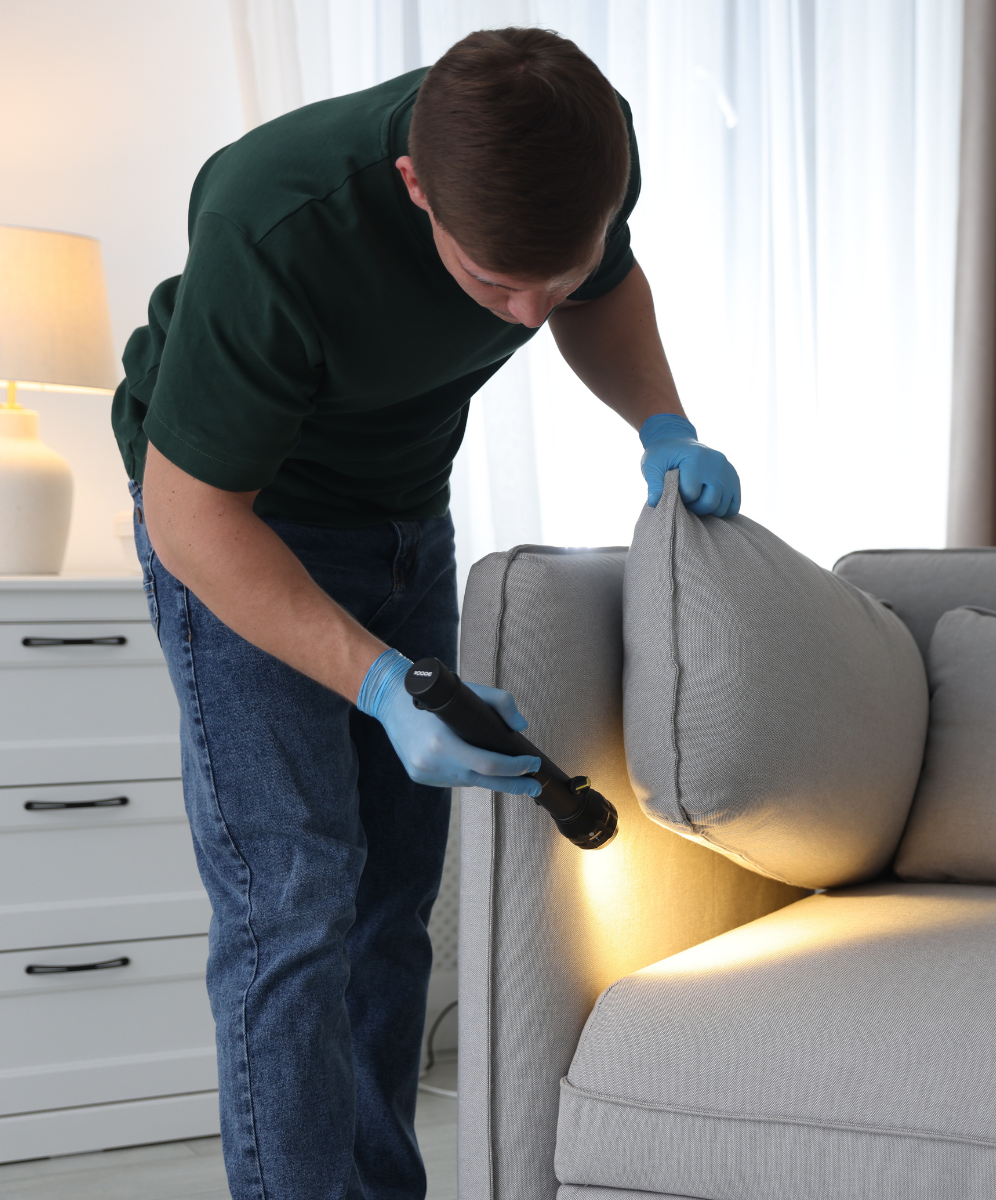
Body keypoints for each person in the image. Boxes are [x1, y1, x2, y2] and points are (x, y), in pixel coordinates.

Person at [110, 29, 737, 1200]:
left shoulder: (579, 152)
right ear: (413, 188)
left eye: (553, 275)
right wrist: (385, 684)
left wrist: (663, 424)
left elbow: (596, 291)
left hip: (401, 509)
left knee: (393, 906)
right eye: (498, 283)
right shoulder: (277, 221)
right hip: (241, 522)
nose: (528, 308)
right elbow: (192, 517)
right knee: (292, 901)